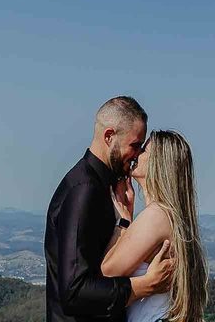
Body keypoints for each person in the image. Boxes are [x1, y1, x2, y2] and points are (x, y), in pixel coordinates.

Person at [45, 96, 175, 322]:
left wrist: (124, 225)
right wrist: (143, 286)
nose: (137, 155)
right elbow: (74, 292)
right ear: (109, 136)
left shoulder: (105, 187)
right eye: (134, 145)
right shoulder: (84, 190)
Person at [101, 130, 208, 322]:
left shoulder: (156, 216)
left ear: (158, 163)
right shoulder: (173, 218)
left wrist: (123, 224)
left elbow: (106, 273)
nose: (136, 154)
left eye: (143, 150)